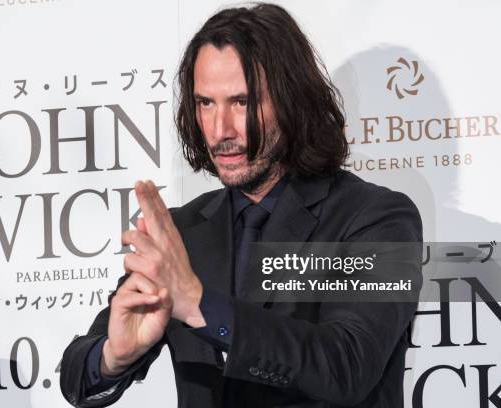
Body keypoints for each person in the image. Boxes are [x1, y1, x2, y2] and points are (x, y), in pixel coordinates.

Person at [60, 3, 422, 407]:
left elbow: (347, 365)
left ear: (292, 100)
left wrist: (200, 305)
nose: (220, 131)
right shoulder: (184, 232)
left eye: (242, 102)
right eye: (206, 103)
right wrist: (113, 356)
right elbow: (77, 372)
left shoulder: (377, 219)